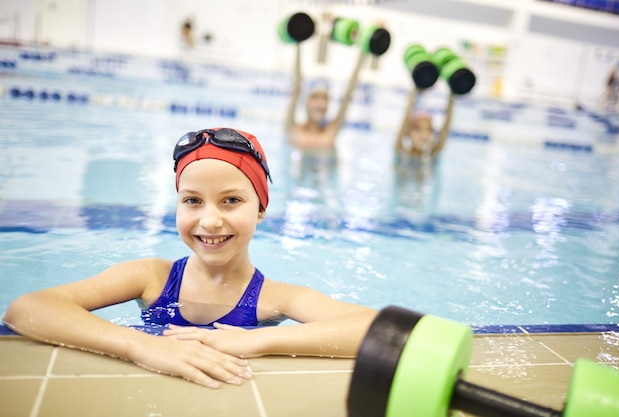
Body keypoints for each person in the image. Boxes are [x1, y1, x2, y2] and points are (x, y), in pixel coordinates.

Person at [3, 127, 377, 389]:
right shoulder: (150, 277)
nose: (210, 220)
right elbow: (28, 309)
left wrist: (254, 342)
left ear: (261, 209)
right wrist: (142, 347)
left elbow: (379, 329)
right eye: (193, 200)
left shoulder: (274, 298)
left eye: (231, 200)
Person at [284, 40, 367, 150]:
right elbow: (297, 87)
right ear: (306, 102)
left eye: (325, 98)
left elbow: (348, 94)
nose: (321, 103)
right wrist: (298, 42)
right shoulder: (292, 130)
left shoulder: (331, 132)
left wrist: (364, 51)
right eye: (315, 97)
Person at [394, 88, 455, 161]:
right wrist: (415, 88)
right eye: (417, 128)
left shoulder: (432, 155)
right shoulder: (401, 151)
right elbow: (406, 118)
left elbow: (446, 126)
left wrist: (452, 93)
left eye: (429, 129)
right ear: (408, 132)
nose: (423, 134)